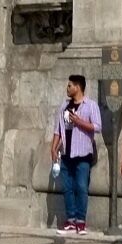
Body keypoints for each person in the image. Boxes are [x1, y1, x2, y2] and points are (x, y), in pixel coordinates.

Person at [49, 74, 102, 235]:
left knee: (81, 186)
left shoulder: (90, 105)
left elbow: (98, 127)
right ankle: (70, 220)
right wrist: (53, 147)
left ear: (78, 87)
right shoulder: (65, 106)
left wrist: (79, 122)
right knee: (67, 187)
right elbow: (59, 129)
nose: (67, 88)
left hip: (83, 153)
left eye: (70, 86)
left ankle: (81, 221)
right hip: (66, 152)